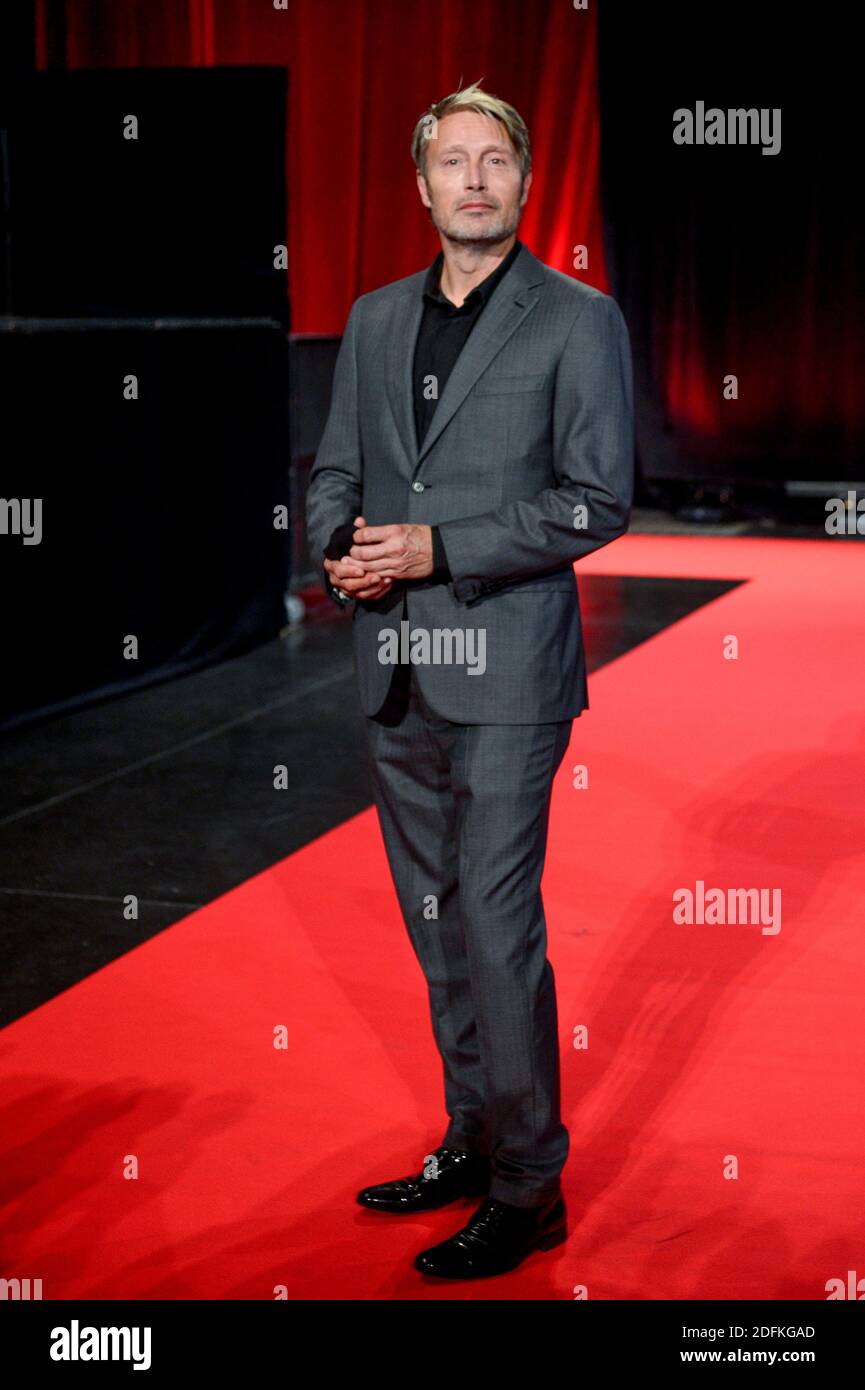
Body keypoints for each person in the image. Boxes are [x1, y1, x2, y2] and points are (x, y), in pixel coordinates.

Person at [306, 81, 634, 1280]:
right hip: (393, 659)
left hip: (506, 670)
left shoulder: (576, 317)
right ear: (423, 184)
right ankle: (472, 1132)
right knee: (436, 923)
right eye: (453, 160)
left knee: (495, 922)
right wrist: (339, 553)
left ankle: (530, 1182)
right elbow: (336, 471)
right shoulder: (378, 316)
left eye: (495, 159)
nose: (475, 178)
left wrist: (443, 547)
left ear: (526, 180)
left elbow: (596, 496)